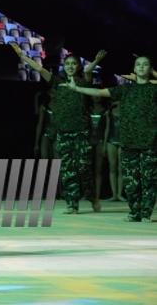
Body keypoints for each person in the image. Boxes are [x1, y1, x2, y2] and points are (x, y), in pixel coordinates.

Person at [61, 55, 157, 223]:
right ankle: (135, 212)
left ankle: (146, 213)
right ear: (133, 69)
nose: (141, 67)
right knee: (131, 182)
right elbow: (98, 92)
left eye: (145, 64)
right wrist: (76, 89)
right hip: (128, 142)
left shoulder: (154, 89)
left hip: (149, 142)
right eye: (138, 64)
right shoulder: (125, 89)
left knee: (148, 180)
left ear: (150, 69)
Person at [12, 46, 105, 214]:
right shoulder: (58, 82)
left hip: (81, 133)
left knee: (84, 169)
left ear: (78, 67)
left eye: (74, 64)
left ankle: (92, 197)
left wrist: (96, 61)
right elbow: (39, 68)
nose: (70, 66)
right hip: (63, 133)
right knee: (67, 170)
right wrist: (22, 56)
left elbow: (89, 71)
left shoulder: (83, 82)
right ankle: (72, 204)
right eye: (67, 63)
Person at [89, 95, 109, 200]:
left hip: (100, 141)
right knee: (87, 170)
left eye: (98, 95)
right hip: (89, 141)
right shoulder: (88, 111)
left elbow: (107, 128)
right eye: (94, 95)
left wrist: (104, 144)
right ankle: (88, 194)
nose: (96, 97)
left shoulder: (106, 111)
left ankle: (97, 195)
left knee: (98, 170)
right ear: (91, 97)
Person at [105, 101, 125, 201]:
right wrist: (104, 144)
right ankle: (114, 194)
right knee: (112, 167)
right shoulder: (110, 112)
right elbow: (107, 128)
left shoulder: (126, 110)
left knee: (120, 168)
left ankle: (120, 194)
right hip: (111, 141)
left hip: (122, 141)